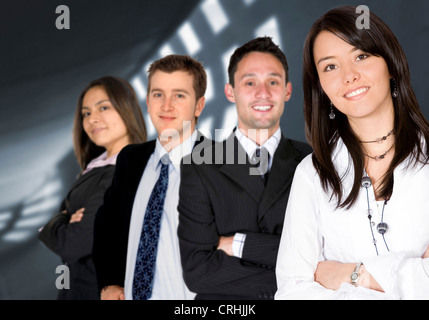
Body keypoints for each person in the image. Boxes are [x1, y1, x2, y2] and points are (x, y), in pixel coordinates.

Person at [275, 5, 429, 300]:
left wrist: (354, 275)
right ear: (321, 87)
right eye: (330, 66)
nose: (349, 76)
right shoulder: (312, 174)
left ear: (390, 63)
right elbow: (292, 293)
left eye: (361, 56)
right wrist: (412, 276)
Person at [177, 37, 312, 300]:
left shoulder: (312, 161)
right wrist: (289, 270)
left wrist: (238, 244)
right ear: (230, 91)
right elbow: (198, 271)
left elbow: (322, 256)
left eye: (273, 82)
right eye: (250, 83)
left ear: (287, 90)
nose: (263, 93)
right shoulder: (199, 163)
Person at [92, 54, 208, 300]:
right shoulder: (130, 159)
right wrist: (109, 283)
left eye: (179, 95)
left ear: (199, 105)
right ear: (147, 101)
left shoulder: (221, 163)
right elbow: (107, 225)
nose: (166, 106)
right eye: (158, 95)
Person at [39, 76, 147, 300]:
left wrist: (52, 226)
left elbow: (74, 244)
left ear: (126, 109)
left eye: (103, 108)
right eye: (86, 113)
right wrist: (62, 221)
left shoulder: (122, 171)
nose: (92, 120)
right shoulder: (97, 167)